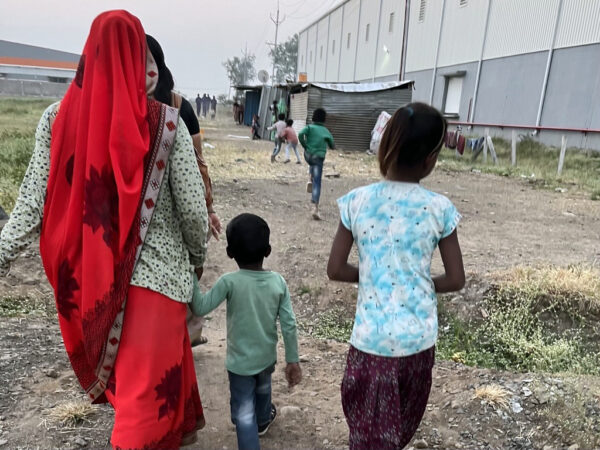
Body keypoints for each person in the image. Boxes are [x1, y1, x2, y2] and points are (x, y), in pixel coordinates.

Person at [0, 11, 208, 448]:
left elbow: (32, 200)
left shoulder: (57, 118)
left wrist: (3, 253)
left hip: (90, 283)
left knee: (141, 399)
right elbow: (193, 213)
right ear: (139, 58)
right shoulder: (168, 125)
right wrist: (195, 262)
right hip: (157, 285)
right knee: (144, 410)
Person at [327, 102, 465, 449]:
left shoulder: (357, 201)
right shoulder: (439, 208)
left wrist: (374, 275)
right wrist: (415, 282)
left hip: (369, 344)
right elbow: (455, 279)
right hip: (417, 344)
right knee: (397, 434)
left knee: (368, 437)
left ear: (386, 144)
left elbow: (336, 269)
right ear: (431, 158)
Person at [191, 213, 302, 450]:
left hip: (240, 364)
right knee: (263, 391)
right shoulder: (278, 282)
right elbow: (289, 324)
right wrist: (292, 360)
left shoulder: (229, 282)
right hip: (266, 359)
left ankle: (252, 429)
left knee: (243, 414)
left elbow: (200, 307)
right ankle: (262, 421)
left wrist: (190, 276)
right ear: (268, 251)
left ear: (230, 253)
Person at [146, 34, 222, 347]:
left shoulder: (179, 108)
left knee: (186, 270)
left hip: (173, 209)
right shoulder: (112, 108)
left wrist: (208, 209)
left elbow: (199, 163)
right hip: (150, 218)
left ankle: (184, 336)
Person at [298, 108, 334, 220]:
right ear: (324, 118)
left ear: (313, 117)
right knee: (317, 182)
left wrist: (305, 145)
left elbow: (300, 134)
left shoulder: (309, 127)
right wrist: (330, 145)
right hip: (318, 158)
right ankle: (315, 208)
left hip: (308, 155)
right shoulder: (325, 131)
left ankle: (310, 178)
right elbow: (332, 144)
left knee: (311, 163)